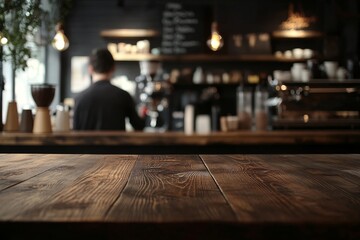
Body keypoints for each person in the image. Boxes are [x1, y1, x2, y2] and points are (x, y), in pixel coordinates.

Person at [73, 48, 145, 130]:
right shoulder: (124, 96)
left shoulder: (79, 98)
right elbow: (138, 126)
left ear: (90, 69)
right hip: (117, 143)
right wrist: (143, 114)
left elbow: (75, 130)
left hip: (87, 143)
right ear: (113, 68)